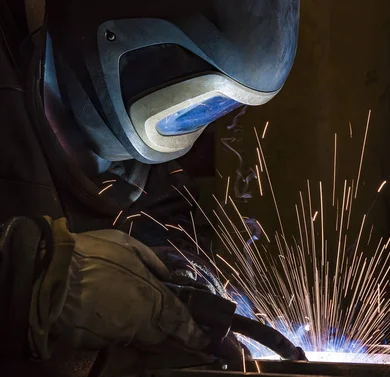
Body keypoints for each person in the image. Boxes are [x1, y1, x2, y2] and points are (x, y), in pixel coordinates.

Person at [0, 0, 299, 374]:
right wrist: (35, 277)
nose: (182, 119)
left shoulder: (132, 117)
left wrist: (178, 274)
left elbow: (165, 217)